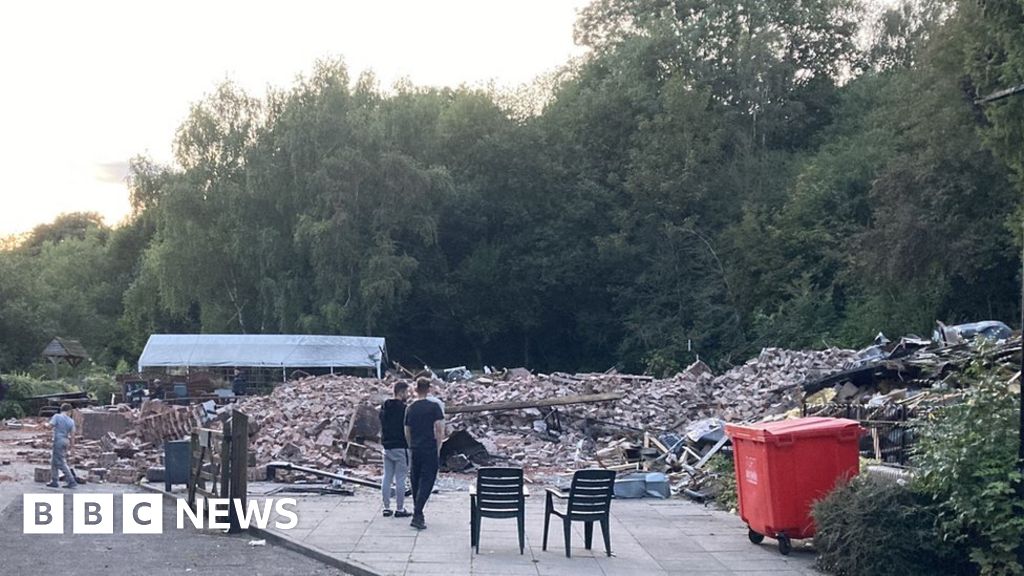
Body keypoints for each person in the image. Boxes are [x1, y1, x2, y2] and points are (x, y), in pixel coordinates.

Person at [404, 377, 445, 530]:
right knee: (427, 480)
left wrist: (410, 445)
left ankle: (418, 513)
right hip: (429, 447)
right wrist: (438, 447)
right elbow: (439, 430)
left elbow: (407, 430)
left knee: (415, 480)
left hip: (415, 447)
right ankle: (418, 512)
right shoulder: (434, 407)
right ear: (428, 389)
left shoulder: (411, 408)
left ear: (416, 389)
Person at [378, 381, 411, 518]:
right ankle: (400, 508)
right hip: (400, 446)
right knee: (400, 478)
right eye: (407, 392)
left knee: (387, 477)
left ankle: (386, 507)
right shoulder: (405, 409)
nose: (408, 395)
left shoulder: (384, 408)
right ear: (402, 392)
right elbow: (408, 428)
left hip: (387, 446)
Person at [47, 403, 77, 488]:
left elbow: (50, 426)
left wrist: (45, 425)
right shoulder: (71, 421)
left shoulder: (57, 416)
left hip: (58, 440)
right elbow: (73, 435)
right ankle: (54, 480)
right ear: (69, 411)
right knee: (54, 461)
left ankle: (71, 480)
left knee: (60, 462)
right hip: (66, 441)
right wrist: (72, 447)